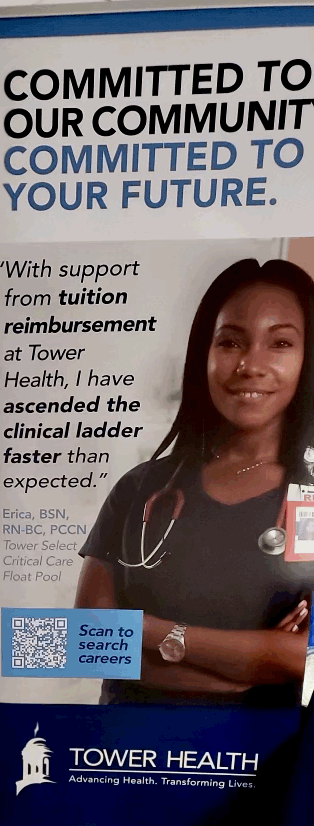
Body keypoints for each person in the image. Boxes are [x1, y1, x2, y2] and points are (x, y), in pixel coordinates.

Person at [76, 259, 314, 706]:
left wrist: (149, 631)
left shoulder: (312, 497)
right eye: (230, 342)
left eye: (279, 342)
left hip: (264, 763)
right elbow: (86, 644)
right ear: (203, 353)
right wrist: (248, 671)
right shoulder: (140, 487)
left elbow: (307, 660)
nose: (250, 365)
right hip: (127, 759)